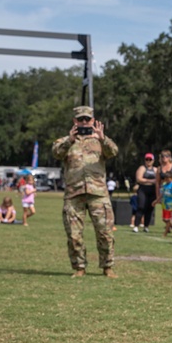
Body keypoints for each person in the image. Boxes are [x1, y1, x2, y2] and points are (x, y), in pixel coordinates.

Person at [52, 105, 119, 278]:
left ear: (93, 120)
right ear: (75, 121)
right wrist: (70, 140)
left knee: (105, 232)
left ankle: (107, 267)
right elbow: (56, 153)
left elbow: (113, 152)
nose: (84, 122)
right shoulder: (66, 141)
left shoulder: (100, 139)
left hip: (98, 193)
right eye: (80, 119)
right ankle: (79, 267)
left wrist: (102, 138)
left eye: (87, 119)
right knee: (74, 235)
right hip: (74, 194)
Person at [134, 152, 158, 232]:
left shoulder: (155, 169)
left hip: (152, 190)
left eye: (150, 159)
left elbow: (158, 180)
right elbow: (139, 179)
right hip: (143, 189)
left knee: (150, 208)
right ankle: (136, 225)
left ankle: (146, 226)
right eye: (147, 159)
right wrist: (151, 181)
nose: (148, 161)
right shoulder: (142, 168)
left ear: (153, 160)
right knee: (141, 206)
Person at [153, 171, 172, 237]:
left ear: (171, 178)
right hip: (164, 204)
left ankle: (165, 233)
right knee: (164, 219)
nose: (168, 180)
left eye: (169, 178)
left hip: (170, 204)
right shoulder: (164, 185)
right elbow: (161, 194)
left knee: (168, 219)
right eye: (166, 178)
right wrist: (156, 201)